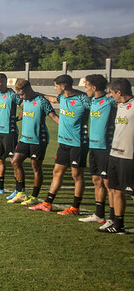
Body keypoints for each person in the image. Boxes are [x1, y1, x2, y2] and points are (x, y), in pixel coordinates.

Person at [31, 75, 91, 213]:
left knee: (77, 175)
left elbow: (96, 108)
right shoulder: (62, 97)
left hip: (78, 143)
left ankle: (75, 207)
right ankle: (47, 203)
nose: (55, 88)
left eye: (56, 86)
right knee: (57, 172)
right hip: (63, 143)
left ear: (63, 86)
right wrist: (39, 95)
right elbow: (53, 99)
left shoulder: (83, 99)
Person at [7, 79, 59, 205]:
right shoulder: (25, 100)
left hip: (38, 140)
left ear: (29, 89)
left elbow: (53, 116)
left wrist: (66, 126)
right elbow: (24, 112)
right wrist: (15, 119)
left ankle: (34, 197)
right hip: (24, 138)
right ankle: (21, 193)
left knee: (36, 167)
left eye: (22, 94)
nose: (21, 97)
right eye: (19, 95)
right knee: (15, 161)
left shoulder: (42, 101)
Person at [97, 78, 134, 238]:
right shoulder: (119, 105)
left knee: (132, 192)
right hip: (114, 154)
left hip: (129, 156)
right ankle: (118, 224)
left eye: (112, 93)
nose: (110, 95)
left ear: (119, 92)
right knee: (114, 189)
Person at [79, 74, 116, 224]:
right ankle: (99, 214)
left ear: (94, 87)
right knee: (96, 180)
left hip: (105, 147)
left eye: (86, 87)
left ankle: (113, 218)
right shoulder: (92, 101)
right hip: (93, 146)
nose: (85, 90)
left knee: (108, 183)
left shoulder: (110, 101)